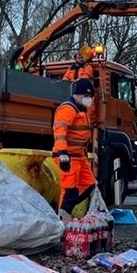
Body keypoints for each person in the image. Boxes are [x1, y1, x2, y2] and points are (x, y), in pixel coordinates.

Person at [53, 78, 96, 216]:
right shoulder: (68, 109)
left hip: (79, 157)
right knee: (69, 189)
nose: (88, 99)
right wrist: (63, 153)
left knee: (89, 185)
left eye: (90, 96)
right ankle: (63, 218)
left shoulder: (83, 111)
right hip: (68, 157)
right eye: (86, 96)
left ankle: (65, 211)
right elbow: (60, 132)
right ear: (77, 95)